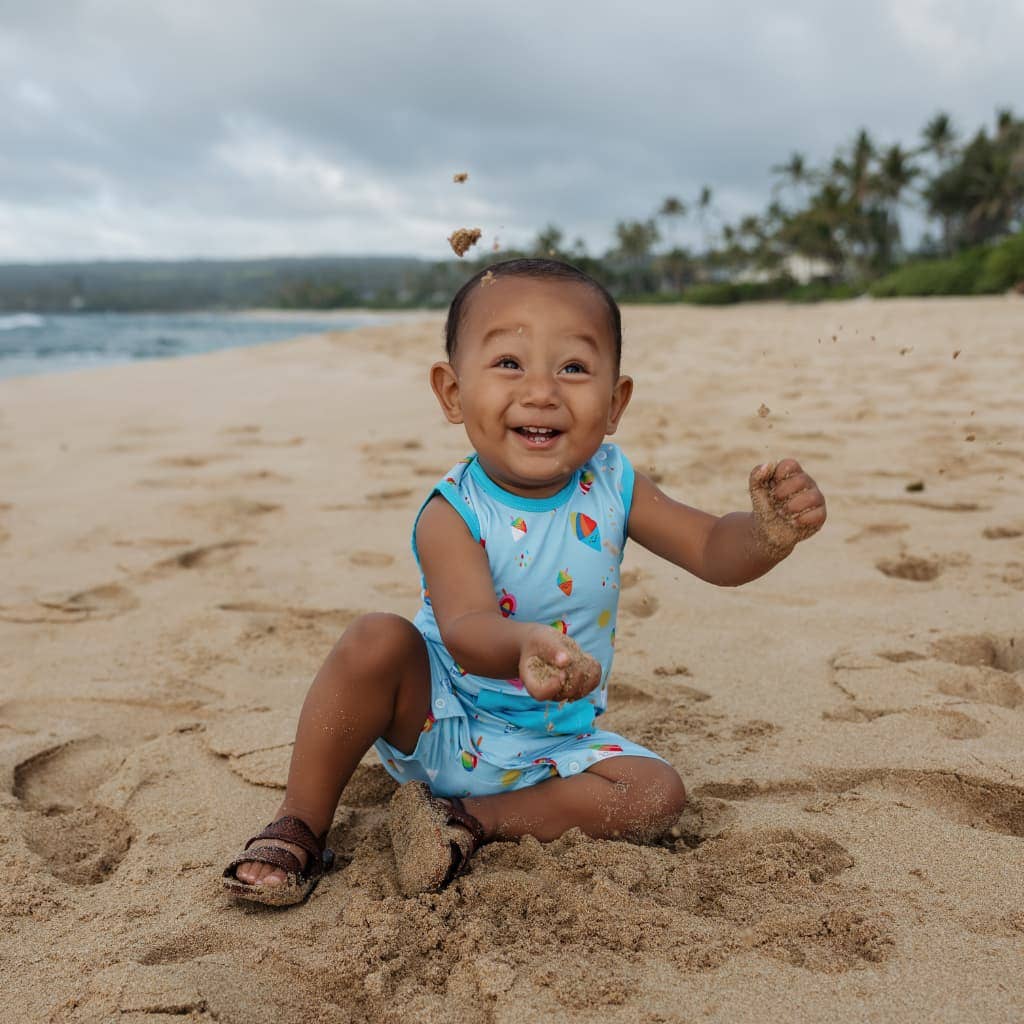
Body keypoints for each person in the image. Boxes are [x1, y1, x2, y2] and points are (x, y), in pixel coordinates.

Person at [222, 258, 827, 906]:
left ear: (615, 403)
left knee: (657, 795)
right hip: (437, 719)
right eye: (509, 363)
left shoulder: (613, 484)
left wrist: (765, 535)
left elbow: (709, 549)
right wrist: (524, 645)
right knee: (375, 639)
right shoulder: (454, 511)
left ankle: (468, 821)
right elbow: (466, 628)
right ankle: (301, 823)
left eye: (573, 367)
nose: (542, 391)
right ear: (453, 393)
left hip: (551, 745)